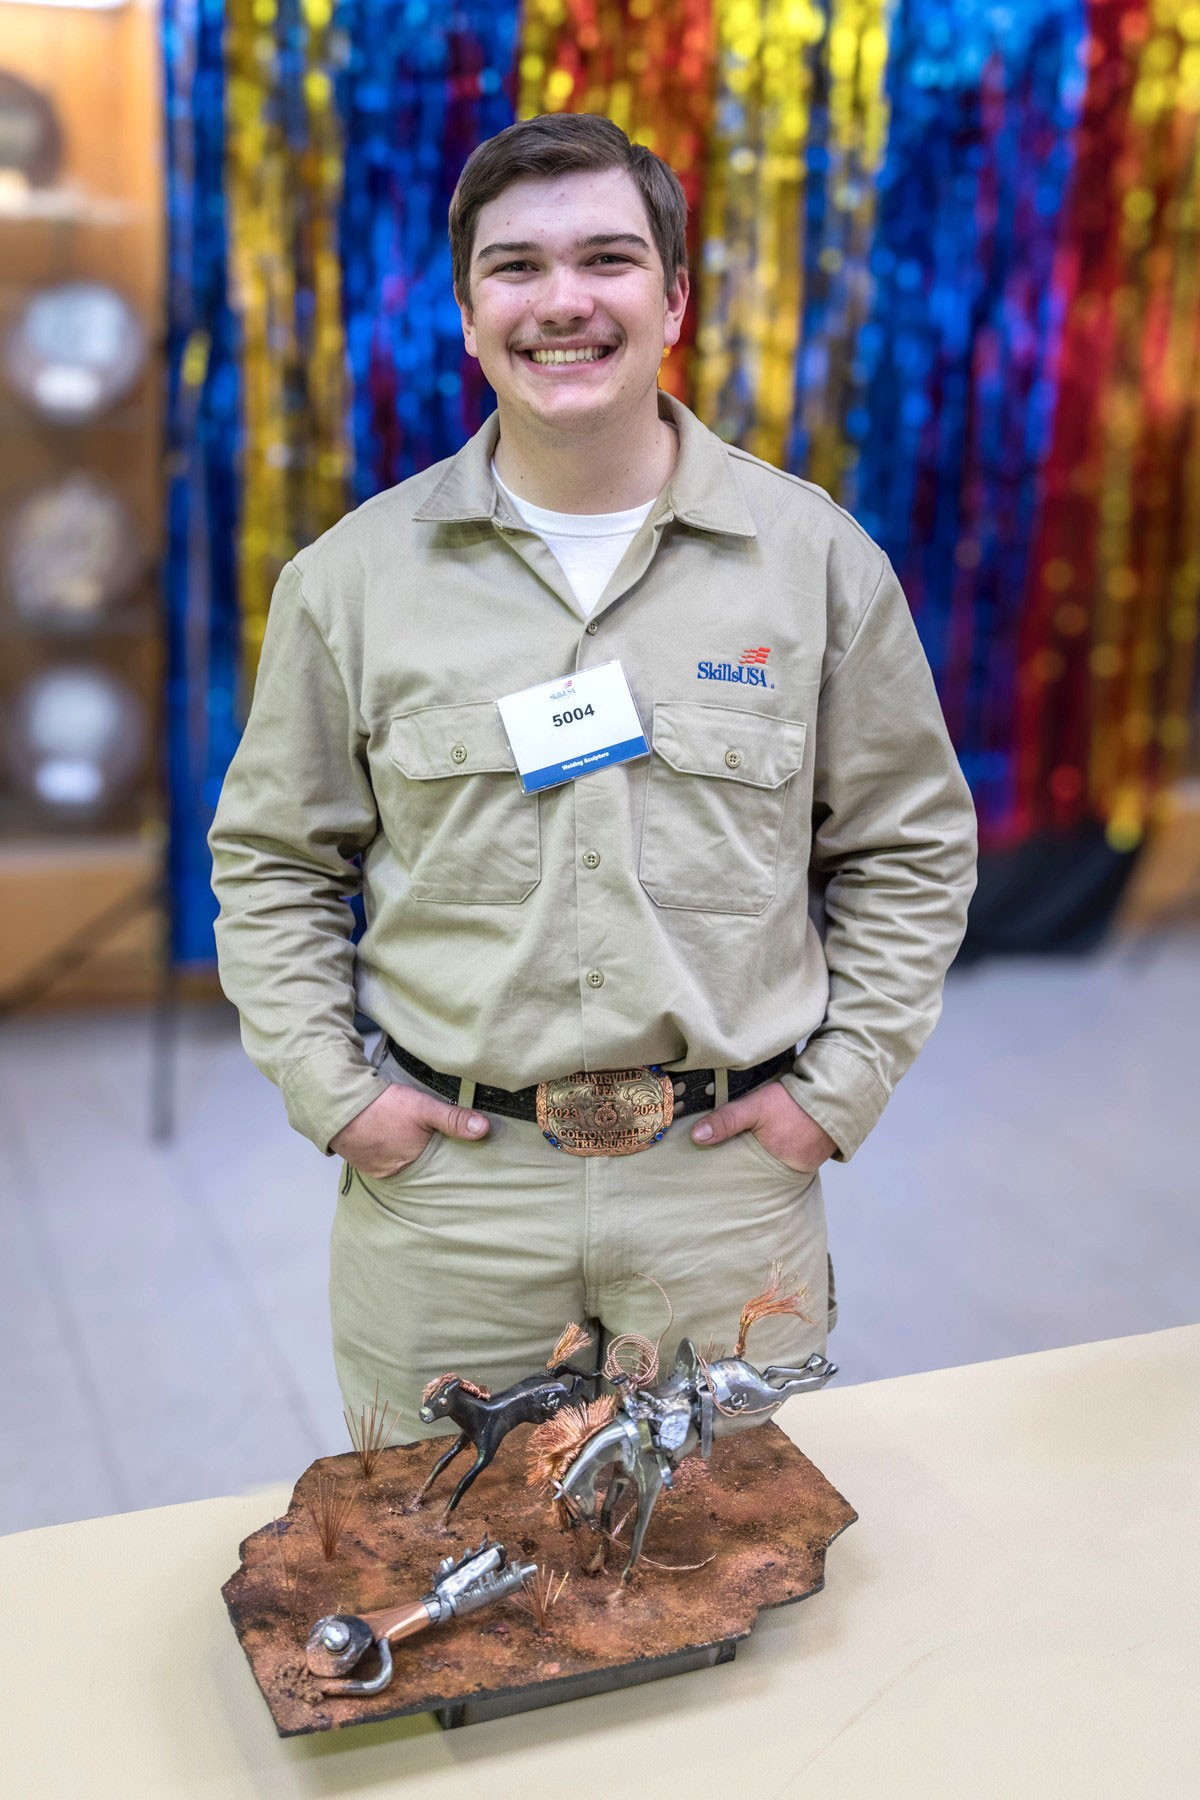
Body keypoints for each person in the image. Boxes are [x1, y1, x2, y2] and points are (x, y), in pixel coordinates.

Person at [209, 113, 977, 1436]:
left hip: (722, 1188)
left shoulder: (816, 563)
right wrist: (341, 1099)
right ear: (465, 313)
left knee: (726, 1569)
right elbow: (275, 858)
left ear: (673, 298)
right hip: (453, 1195)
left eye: (608, 260)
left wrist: (837, 1090)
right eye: (516, 268)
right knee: (439, 1567)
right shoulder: (353, 580)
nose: (562, 302)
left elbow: (911, 845)